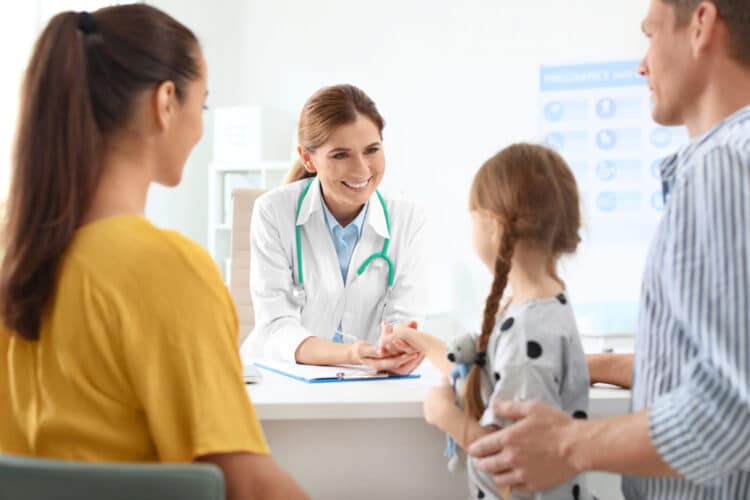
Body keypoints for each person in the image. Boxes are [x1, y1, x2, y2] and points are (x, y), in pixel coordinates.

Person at [0, 6, 306, 500]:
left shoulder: (13, 257)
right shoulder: (167, 268)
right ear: (165, 102)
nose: (201, 129)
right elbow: (249, 489)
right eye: (201, 107)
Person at [468, 1, 750, 498]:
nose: (642, 64)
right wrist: (593, 364)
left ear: (701, 24)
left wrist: (569, 445)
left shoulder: (724, 167)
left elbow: (732, 408)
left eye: (650, 34)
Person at [381, 143, 592, 499]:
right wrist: (416, 340)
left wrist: (443, 415)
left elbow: (512, 458)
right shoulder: (543, 305)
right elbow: (485, 370)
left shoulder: (527, 332)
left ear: (494, 225)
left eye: (473, 216)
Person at [243, 84, 427, 373]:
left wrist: (397, 350)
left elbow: (404, 318)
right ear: (307, 158)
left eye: (372, 150)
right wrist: (351, 354)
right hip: (283, 378)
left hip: (367, 380)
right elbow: (276, 326)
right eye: (341, 155)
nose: (362, 169)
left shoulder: (409, 219)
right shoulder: (273, 212)